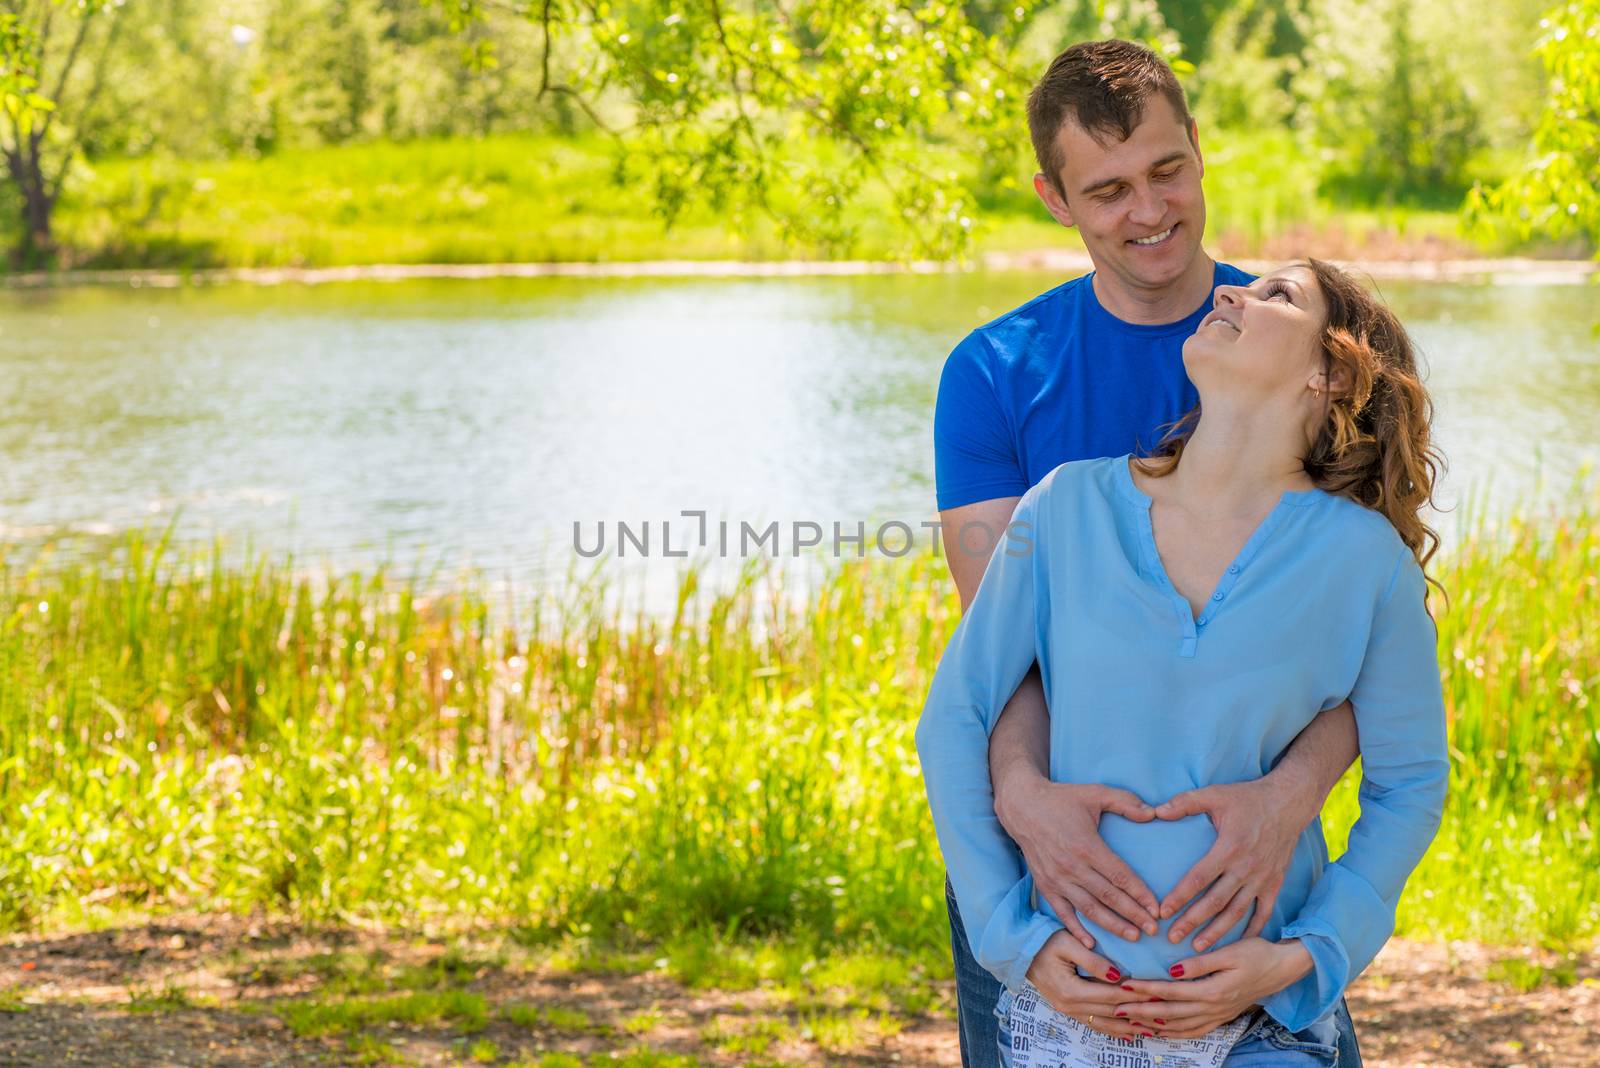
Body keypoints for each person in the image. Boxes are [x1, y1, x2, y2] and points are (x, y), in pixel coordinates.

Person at [932, 40, 1368, 1067]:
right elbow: (1000, 652)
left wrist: (1288, 797)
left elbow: (1372, 638)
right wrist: (1024, 800)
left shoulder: (1294, 345)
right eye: (1108, 188)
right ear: (1054, 198)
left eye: (1167, 170)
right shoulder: (994, 372)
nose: (1149, 210)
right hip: (1047, 869)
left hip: (1250, 873)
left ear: (1200, 148)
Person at [920, 258, 1450, 1065]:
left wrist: (1307, 954)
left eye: (1278, 295)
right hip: (1069, 1018)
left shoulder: (1366, 562)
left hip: (1260, 1023)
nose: (1231, 291)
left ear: (1332, 372)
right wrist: (1010, 935)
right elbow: (956, 718)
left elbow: (1410, 781)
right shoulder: (1066, 506)